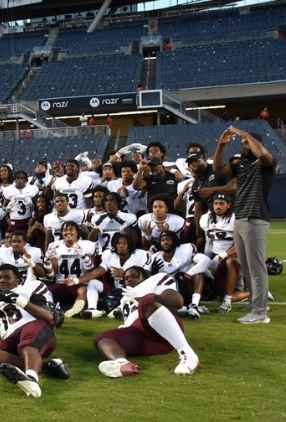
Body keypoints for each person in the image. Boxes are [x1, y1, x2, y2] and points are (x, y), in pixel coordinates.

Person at [0, 264, 66, 399]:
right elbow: (8, 328)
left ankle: (32, 378)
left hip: (38, 332)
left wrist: (18, 299)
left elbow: (51, 318)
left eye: (6, 277)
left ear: (18, 280)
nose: (1, 280)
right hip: (13, 340)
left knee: (29, 333)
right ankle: (47, 367)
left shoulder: (31, 288)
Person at [214, 127, 275, 324]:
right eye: (242, 144)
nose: (243, 146)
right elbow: (218, 172)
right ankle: (255, 306)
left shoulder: (265, 163)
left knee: (257, 268)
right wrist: (221, 147)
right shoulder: (241, 165)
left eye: (246, 144)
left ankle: (260, 312)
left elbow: (264, 155)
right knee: (247, 267)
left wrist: (244, 134)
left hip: (256, 217)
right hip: (240, 218)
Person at [95, 266, 199, 378]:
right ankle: (123, 364)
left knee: (147, 301)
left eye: (134, 276)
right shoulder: (125, 297)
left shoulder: (157, 280)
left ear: (145, 277)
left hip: (163, 334)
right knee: (103, 338)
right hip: (143, 339)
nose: (129, 279)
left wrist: (144, 297)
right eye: (126, 278)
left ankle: (187, 354)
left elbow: (177, 301)